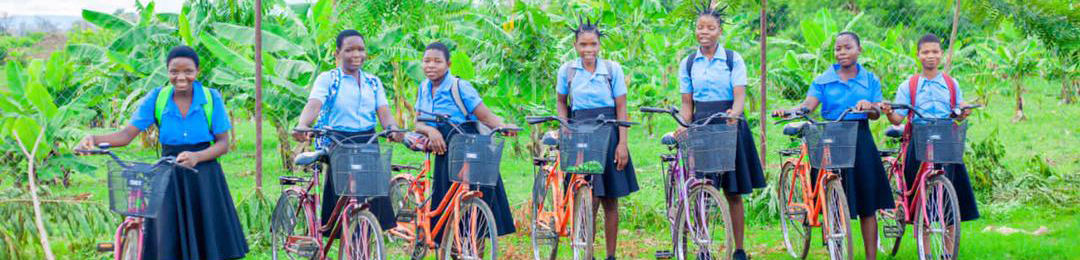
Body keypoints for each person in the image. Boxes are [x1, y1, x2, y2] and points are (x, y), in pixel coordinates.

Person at [75, 45, 249, 259]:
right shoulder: (158, 98)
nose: (181, 77)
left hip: (204, 177)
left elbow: (223, 144)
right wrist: (94, 139)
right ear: (167, 72)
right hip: (168, 176)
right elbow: (126, 135)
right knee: (167, 241)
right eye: (174, 71)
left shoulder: (211, 98)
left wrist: (197, 157)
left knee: (209, 240)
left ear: (198, 71)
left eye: (188, 71)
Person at [772, 32, 895, 260]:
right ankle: (836, 250)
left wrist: (869, 106)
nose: (842, 52)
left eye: (847, 48)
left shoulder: (870, 80)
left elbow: (877, 113)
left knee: (868, 204)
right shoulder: (823, 80)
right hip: (831, 137)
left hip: (861, 139)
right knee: (833, 199)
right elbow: (808, 105)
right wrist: (790, 111)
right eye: (838, 49)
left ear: (859, 50)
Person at [677, 2, 765, 259]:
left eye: (710, 27)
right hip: (702, 124)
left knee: (733, 191)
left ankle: (738, 249)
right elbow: (686, 104)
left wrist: (735, 115)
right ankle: (703, 247)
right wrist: (683, 126)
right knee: (703, 188)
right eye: (700, 27)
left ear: (719, 31)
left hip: (729, 122)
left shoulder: (732, 59)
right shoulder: (689, 62)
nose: (704, 32)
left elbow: (739, 96)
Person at [292, 29, 402, 233]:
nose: (356, 55)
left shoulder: (373, 82)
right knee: (346, 197)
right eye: (349, 50)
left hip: (368, 140)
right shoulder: (329, 79)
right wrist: (304, 124)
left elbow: (384, 113)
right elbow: (314, 104)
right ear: (337, 53)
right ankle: (345, 238)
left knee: (373, 198)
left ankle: (366, 243)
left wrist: (393, 129)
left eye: (360, 50)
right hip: (338, 140)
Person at [881, 33, 980, 258]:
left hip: (946, 139)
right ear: (918, 55)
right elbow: (897, 119)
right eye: (925, 52)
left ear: (941, 54)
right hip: (919, 139)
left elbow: (958, 108)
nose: (931, 56)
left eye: (935, 52)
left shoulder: (950, 83)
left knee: (949, 197)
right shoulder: (910, 85)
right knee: (920, 200)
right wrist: (889, 113)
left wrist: (964, 110)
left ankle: (947, 252)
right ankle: (925, 251)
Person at [413, 42, 519, 242]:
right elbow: (417, 123)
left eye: (437, 61)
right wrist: (431, 131)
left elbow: (485, 115)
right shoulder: (423, 88)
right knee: (445, 201)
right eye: (427, 61)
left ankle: (474, 249)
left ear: (448, 63)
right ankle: (449, 245)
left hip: (467, 145)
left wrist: (503, 126)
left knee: (474, 197)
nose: (431, 65)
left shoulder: (459, 87)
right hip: (443, 149)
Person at [555, 16, 638, 260]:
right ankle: (585, 251)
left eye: (593, 44)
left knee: (610, 199)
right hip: (580, 134)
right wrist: (565, 126)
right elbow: (562, 102)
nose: (588, 50)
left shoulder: (612, 70)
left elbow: (622, 107)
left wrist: (623, 143)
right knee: (586, 196)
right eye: (583, 45)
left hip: (609, 133)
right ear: (575, 45)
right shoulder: (568, 71)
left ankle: (610, 255)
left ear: (599, 45)